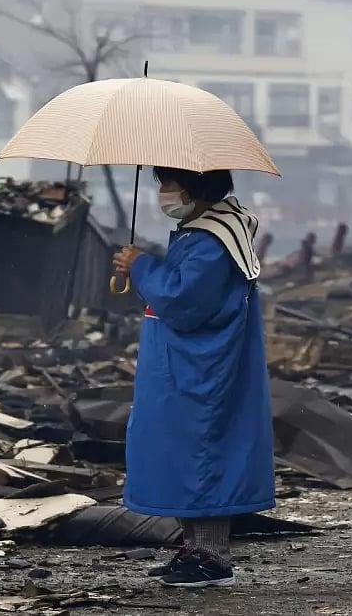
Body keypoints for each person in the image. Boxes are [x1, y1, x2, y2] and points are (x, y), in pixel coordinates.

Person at [111, 166, 275, 589]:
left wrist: (142, 265)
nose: (163, 192)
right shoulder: (204, 231)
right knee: (184, 453)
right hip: (184, 365)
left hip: (198, 370)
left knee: (200, 454)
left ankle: (211, 558)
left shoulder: (211, 240)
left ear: (195, 186)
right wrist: (143, 267)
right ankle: (195, 549)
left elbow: (183, 301)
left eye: (168, 182)